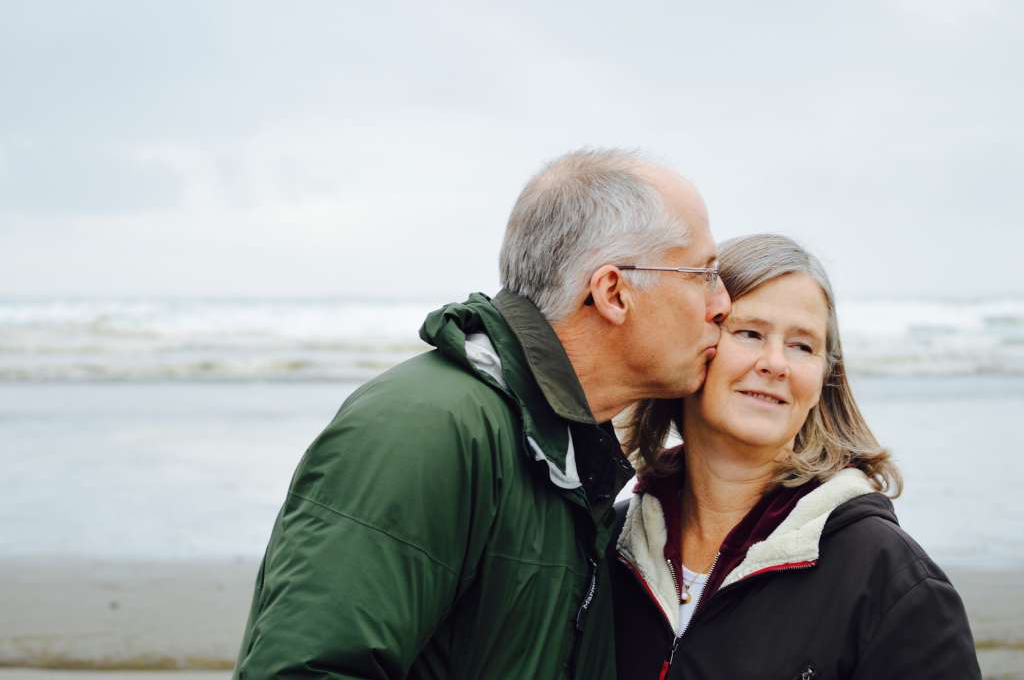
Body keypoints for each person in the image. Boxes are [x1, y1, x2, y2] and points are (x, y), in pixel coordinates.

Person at [232, 149, 731, 680]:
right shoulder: (426, 428)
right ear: (612, 292)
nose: (721, 303)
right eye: (702, 273)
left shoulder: (566, 453)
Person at [611, 234, 980, 680]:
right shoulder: (610, 544)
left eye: (802, 345)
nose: (775, 363)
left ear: (825, 377)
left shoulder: (889, 578)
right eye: (749, 333)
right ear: (696, 342)